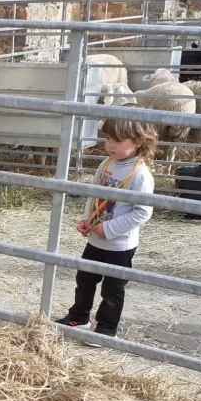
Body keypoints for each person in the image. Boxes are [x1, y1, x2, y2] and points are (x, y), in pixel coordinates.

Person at [54, 117, 157, 345]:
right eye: (108, 138)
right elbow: (94, 194)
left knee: (113, 288)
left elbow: (143, 212)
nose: (110, 144)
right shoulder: (106, 164)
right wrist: (87, 219)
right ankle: (79, 316)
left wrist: (109, 229)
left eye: (118, 140)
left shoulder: (140, 174)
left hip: (119, 245)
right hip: (95, 238)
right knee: (85, 279)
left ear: (139, 140)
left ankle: (107, 328)